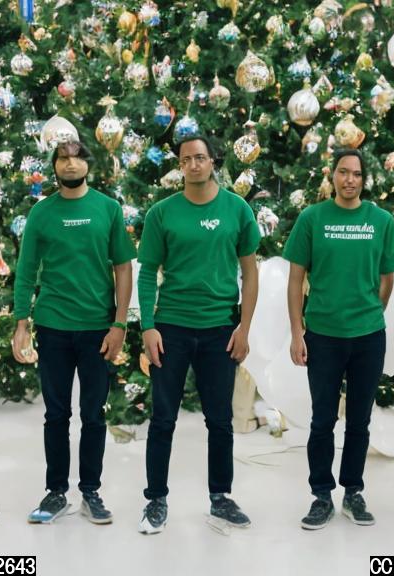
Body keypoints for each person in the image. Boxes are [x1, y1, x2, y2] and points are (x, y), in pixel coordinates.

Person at [136, 134, 260, 534]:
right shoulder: (162, 213)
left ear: (213, 162)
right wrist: (149, 326)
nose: (193, 165)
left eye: (200, 158)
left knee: (220, 420)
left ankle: (220, 498)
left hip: (219, 329)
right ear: (180, 165)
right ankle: (156, 500)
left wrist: (244, 326)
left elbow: (251, 272)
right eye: (186, 159)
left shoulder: (237, 210)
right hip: (171, 327)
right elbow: (146, 271)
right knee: (163, 419)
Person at [12, 139, 135, 525]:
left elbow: (123, 268)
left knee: (94, 414)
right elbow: (26, 269)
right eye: (62, 158)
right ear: (54, 167)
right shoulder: (42, 213)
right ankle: (56, 492)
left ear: (87, 164)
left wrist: (119, 323)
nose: (69, 164)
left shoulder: (108, 209)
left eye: (76, 157)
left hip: (98, 329)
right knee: (56, 415)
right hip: (53, 326)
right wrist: (21, 323)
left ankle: (91, 491)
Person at [284, 149, 394, 530]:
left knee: (360, 421)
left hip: (368, 335)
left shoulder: (381, 220)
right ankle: (320, 495)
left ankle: (353, 491)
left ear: (364, 179)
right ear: (332, 176)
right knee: (322, 420)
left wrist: (370, 310)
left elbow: (387, 277)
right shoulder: (312, 219)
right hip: (323, 335)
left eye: (357, 174)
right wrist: (298, 331)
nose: (350, 179)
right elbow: (296, 279)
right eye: (343, 172)